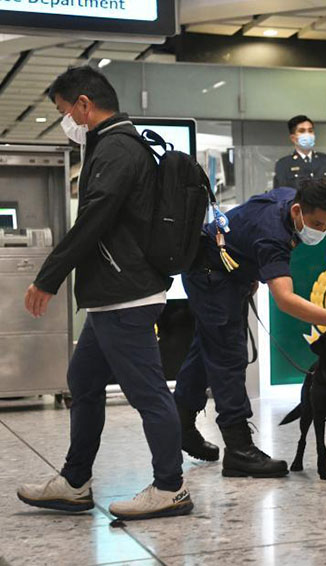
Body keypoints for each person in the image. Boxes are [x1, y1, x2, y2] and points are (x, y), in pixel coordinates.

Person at [16, 66, 192, 521]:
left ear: (83, 106)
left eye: (63, 112)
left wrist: (48, 277)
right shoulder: (114, 143)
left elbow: (93, 219)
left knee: (148, 392)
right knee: (85, 382)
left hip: (125, 295)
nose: (65, 121)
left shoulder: (115, 147)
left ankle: (171, 487)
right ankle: (75, 483)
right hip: (114, 295)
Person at [173, 178, 326, 478]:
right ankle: (239, 450)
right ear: (296, 210)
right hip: (211, 275)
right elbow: (285, 299)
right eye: (317, 223)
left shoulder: (291, 199)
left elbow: (245, 225)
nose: (321, 231)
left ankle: (181, 426)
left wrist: (247, 266)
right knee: (228, 357)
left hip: (225, 269)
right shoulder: (273, 235)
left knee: (207, 349)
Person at [273, 115, 326, 189]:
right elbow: (280, 195)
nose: (307, 134)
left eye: (310, 131)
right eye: (302, 131)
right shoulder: (283, 164)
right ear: (293, 138)